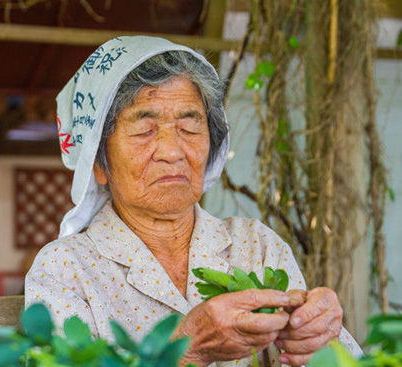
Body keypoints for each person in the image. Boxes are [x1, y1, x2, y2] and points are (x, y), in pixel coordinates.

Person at [25, 36, 362, 367]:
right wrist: (186, 352)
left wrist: (318, 339)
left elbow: (340, 360)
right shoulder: (65, 269)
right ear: (98, 163)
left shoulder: (255, 245)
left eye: (189, 128)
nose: (172, 152)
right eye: (144, 131)